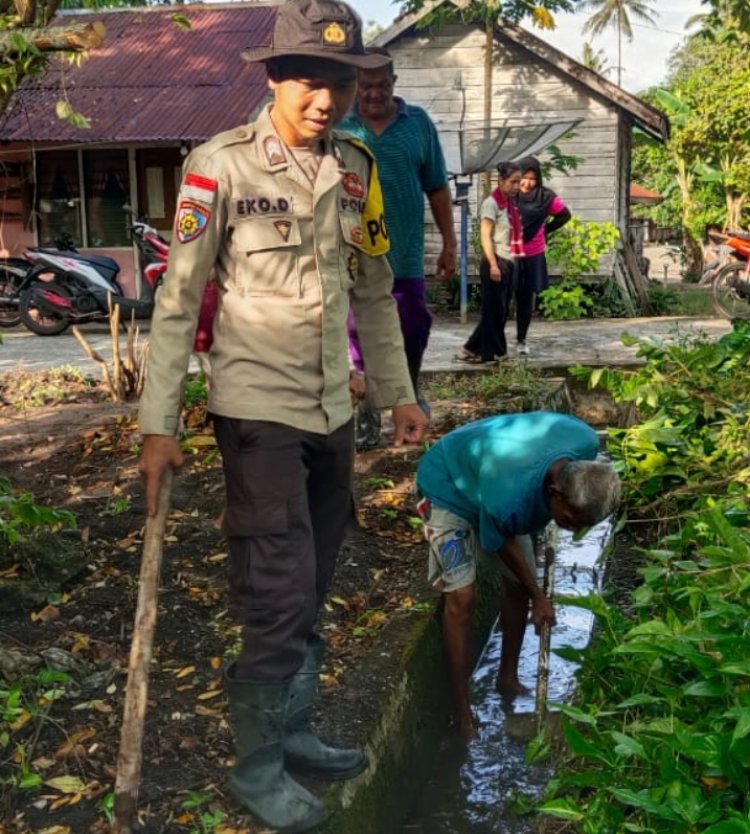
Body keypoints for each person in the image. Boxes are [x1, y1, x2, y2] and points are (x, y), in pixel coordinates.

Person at [137, 2, 429, 831]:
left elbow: (373, 290)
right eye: (309, 81)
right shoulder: (219, 166)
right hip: (256, 410)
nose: (325, 100)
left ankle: (294, 732)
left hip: (332, 409)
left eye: (339, 82)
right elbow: (177, 301)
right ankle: (256, 765)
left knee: (317, 577)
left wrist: (400, 393)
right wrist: (160, 425)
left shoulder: (357, 171)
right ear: (274, 78)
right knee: (278, 587)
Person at [415, 411, 620, 737]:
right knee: (462, 597)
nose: (568, 531)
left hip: (492, 468)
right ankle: (461, 709)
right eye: (567, 522)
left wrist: (533, 592)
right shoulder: (507, 500)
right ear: (555, 493)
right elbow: (500, 540)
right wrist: (539, 596)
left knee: (520, 586)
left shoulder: (584, 442)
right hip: (448, 487)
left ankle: (507, 677)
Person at [339, 46, 457, 447]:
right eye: (365, 86)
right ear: (356, 85)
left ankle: (406, 391)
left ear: (394, 83)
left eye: (381, 85)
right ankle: (368, 408)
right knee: (357, 332)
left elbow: (437, 186)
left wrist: (449, 243)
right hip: (354, 253)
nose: (373, 93)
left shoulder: (418, 124)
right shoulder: (340, 124)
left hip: (403, 252)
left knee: (413, 324)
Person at [455, 161, 523, 365]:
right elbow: (485, 236)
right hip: (495, 261)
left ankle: (469, 348)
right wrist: (493, 264)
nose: (516, 187)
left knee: (499, 311)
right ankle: (499, 354)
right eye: (513, 182)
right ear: (501, 181)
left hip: (509, 260)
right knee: (494, 311)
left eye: (518, 182)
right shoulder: (491, 204)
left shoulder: (510, 204)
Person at [514, 156, 571, 357]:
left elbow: (565, 215)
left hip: (532, 254)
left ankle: (521, 339)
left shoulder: (546, 197)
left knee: (525, 298)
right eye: (523, 178)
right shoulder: (509, 194)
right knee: (502, 297)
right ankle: (496, 340)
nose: (527, 183)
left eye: (532, 178)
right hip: (509, 254)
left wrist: (545, 229)